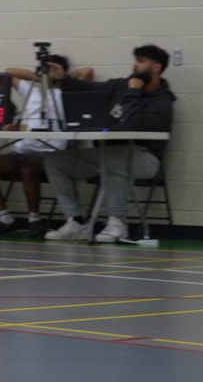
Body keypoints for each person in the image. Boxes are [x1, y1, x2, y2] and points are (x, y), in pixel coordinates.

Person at [44, 44, 176, 243]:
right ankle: (76, 222)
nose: (135, 65)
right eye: (136, 60)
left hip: (145, 159)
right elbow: (88, 88)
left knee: (115, 158)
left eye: (141, 61)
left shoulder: (163, 101)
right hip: (109, 154)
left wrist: (133, 91)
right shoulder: (120, 86)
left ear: (156, 67)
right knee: (56, 161)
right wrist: (63, 78)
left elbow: (133, 124)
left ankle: (118, 223)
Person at [0, 55, 94, 236]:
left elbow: (88, 72)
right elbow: (8, 73)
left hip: (50, 152)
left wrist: (60, 77)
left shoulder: (68, 92)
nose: (49, 71)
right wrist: (40, 77)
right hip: (24, 148)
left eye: (53, 68)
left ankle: (34, 219)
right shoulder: (33, 91)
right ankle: (4, 217)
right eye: (47, 68)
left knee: (28, 168)